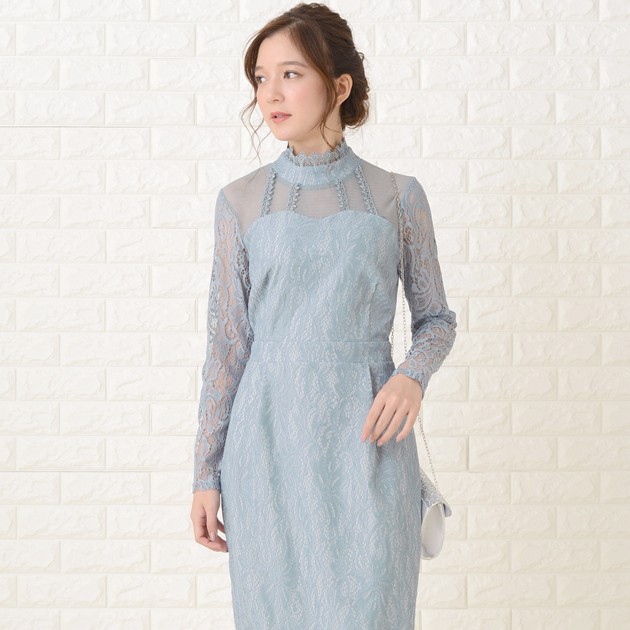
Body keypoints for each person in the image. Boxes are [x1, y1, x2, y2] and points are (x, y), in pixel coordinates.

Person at [189, 3, 457, 628]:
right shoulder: (239, 202)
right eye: (261, 78)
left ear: (339, 86)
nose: (270, 94)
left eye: (290, 74)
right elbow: (227, 348)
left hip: (369, 448)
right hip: (265, 451)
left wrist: (411, 376)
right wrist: (205, 473)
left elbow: (437, 319)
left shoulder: (398, 196)